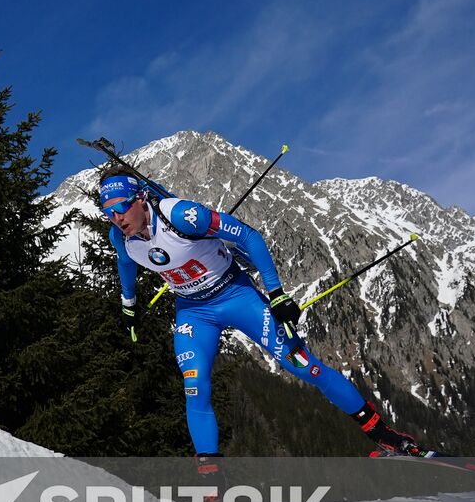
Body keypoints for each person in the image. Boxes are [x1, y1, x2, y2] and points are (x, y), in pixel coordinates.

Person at [98, 173, 425, 470]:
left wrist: (278, 294)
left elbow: (249, 237)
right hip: (194, 312)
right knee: (195, 388)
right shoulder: (121, 237)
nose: (116, 217)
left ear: (141, 198)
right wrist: (128, 305)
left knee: (303, 367)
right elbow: (126, 266)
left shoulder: (182, 215)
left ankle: (383, 434)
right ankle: (213, 486)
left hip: (236, 295)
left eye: (122, 207)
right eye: (107, 211)